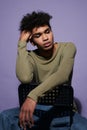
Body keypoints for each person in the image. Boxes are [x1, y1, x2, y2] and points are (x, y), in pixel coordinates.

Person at [0, 11, 87, 130]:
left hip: (63, 109)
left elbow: (62, 75)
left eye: (47, 32)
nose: (45, 38)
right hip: (37, 109)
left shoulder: (68, 47)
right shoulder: (30, 57)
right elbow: (25, 78)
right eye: (38, 35)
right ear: (32, 41)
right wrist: (21, 44)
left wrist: (32, 96)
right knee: (5, 117)